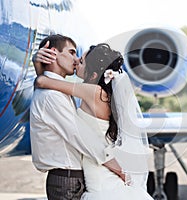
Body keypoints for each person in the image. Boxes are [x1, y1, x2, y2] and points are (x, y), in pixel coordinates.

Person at [34, 43, 153, 199]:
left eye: (81, 61)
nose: (76, 61)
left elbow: (43, 83)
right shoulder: (100, 94)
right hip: (98, 165)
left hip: (98, 169)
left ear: (94, 75)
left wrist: (39, 64)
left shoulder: (93, 92)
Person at [30, 34, 110, 200]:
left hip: (73, 177)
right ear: (53, 53)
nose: (75, 59)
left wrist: (40, 71)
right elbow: (78, 135)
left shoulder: (60, 90)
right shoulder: (52, 95)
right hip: (66, 179)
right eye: (72, 52)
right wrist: (114, 165)